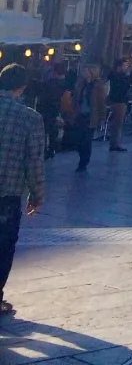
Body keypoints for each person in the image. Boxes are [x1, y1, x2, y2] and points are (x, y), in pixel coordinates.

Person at [0, 65, 45, 317]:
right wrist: (37, 195)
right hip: (7, 194)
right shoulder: (30, 118)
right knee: (3, 247)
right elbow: (34, 162)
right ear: (22, 88)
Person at [68, 65, 105, 174]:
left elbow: (101, 102)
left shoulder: (98, 85)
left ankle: (83, 162)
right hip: (80, 114)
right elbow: (75, 99)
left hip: (91, 116)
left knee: (86, 140)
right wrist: (72, 113)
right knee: (79, 139)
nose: (85, 73)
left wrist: (102, 117)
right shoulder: (81, 84)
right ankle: (81, 157)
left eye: (87, 71)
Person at [106, 58, 132, 153]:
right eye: (125, 65)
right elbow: (124, 87)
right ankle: (115, 144)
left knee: (117, 123)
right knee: (117, 123)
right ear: (119, 66)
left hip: (116, 100)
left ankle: (114, 143)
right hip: (119, 101)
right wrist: (127, 77)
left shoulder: (113, 75)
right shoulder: (118, 76)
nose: (126, 67)